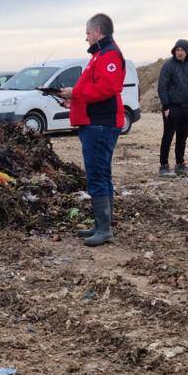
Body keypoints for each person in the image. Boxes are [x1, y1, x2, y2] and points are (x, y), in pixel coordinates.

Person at [59, 13, 126, 246]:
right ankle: (101, 224)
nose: (86, 37)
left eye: (87, 33)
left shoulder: (109, 55)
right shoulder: (100, 55)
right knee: (102, 173)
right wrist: (72, 100)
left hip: (100, 124)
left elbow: (107, 88)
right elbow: (94, 89)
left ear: (97, 31)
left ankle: (104, 228)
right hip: (95, 121)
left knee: (97, 173)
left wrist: (75, 93)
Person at [157, 39, 188, 175]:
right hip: (172, 107)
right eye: (177, 50)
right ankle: (163, 165)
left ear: (186, 52)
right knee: (168, 136)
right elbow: (162, 87)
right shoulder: (168, 65)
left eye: (182, 50)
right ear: (174, 51)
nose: (179, 53)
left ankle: (180, 163)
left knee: (182, 137)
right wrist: (166, 106)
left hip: (187, 108)